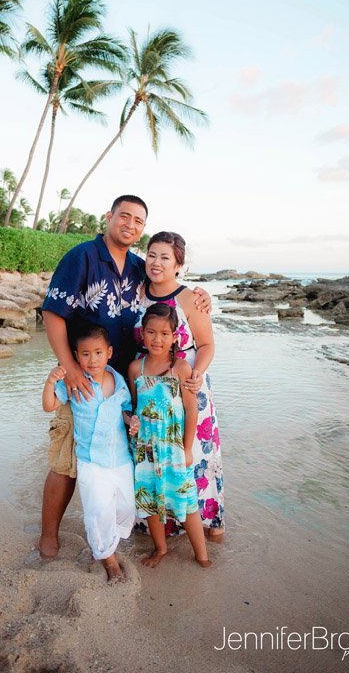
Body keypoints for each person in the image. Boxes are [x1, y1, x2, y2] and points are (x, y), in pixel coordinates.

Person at [39, 195, 211, 558]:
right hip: (84, 378)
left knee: (122, 457)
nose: (130, 225)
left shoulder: (137, 266)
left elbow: (167, 291)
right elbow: (52, 313)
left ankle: (128, 529)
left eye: (138, 221)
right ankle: (50, 534)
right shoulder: (82, 257)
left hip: (127, 385)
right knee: (68, 457)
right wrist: (69, 369)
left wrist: (201, 295)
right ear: (110, 217)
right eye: (125, 216)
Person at [133, 231, 224, 539]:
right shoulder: (136, 292)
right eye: (152, 255)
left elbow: (207, 344)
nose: (156, 263)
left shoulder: (190, 298)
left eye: (166, 257)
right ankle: (161, 530)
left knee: (192, 458)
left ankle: (206, 527)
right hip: (149, 391)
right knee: (157, 459)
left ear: (178, 265)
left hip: (187, 389)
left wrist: (197, 373)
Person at [42, 324, 141, 583]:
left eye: (98, 353)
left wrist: (132, 422)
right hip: (91, 462)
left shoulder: (118, 382)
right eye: (85, 354)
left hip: (120, 460)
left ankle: (108, 543)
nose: (92, 359)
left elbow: (126, 412)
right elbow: (49, 405)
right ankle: (108, 559)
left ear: (109, 353)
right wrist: (51, 381)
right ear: (76, 356)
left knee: (126, 507)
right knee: (98, 511)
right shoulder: (74, 383)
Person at [128, 303, 211, 569]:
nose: (157, 339)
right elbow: (133, 407)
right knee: (150, 500)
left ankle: (202, 555)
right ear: (142, 333)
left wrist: (187, 449)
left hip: (174, 448)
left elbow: (191, 410)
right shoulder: (135, 369)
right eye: (151, 332)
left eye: (164, 333)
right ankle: (160, 549)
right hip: (145, 448)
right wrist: (132, 420)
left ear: (175, 336)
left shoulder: (181, 368)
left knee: (186, 502)